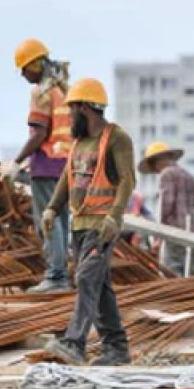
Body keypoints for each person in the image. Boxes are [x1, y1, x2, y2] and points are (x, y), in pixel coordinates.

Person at [39, 78, 135, 366]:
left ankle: (75, 343)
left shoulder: (116, 138)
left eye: (73, 110)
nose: (69, 116)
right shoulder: (79, 142)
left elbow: (128, 180)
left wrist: (114, 216)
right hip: (79, 226)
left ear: (86, 108)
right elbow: (67, 179)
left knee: (85, 278)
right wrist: (52, 208)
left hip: (101, 227)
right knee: (99, 286)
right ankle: (117, 349)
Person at [12, 38, 72, 293]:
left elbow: (38, 134)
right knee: (61, 220)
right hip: (65, 165)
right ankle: (61, 275)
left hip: (47, 165)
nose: (23, 76)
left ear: (34, 66)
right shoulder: (62, 91)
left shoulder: (41, 93)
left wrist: (16, 162)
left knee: (47, 220)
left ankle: (55, 276)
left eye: (24, 69)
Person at [138, 141, 194, 276]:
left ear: (158, 162)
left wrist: (158, 235)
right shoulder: (188, 175)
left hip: (174, 234)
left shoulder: (166, 174)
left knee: (171, 273)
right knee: (188, 271)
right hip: (191, 232)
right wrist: (185, 206)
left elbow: (165, 206)